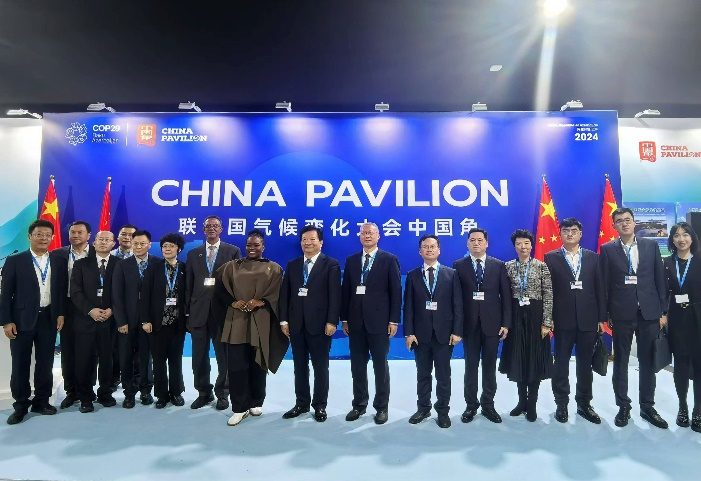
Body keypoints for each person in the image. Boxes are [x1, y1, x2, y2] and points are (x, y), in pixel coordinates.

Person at [599, 207, 668, 429]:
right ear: (614, 226)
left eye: (628, 219)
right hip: (621, 313)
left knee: (648, 361)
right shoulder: (607, 249)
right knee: (620, 361)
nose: (625, 223)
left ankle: (647, 406)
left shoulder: (650, 246)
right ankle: (623, 407)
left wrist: (663, 311)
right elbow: (604, 285)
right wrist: (606, 314)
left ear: (634, 222)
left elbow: (660, 279)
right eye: (619, 221)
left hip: (649, 312)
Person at [215, 229, 288, 426]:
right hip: (236, 321)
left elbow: (279, 293)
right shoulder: (231, 267)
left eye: (256, 245)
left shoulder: (274, 268)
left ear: (263, 246)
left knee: (258, 362)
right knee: (236, 365)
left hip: (261, 320)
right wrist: (233, 302)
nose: (252, 248)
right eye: (249, 245)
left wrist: (261, 301)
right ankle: (239, 407)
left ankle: (256, 401)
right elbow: (218, 289)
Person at [1, 220, 67, 425]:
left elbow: (60, 291)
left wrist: (60, 313)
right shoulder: (15, 260)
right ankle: (20, 406)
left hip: (48, 318)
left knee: (45, 363)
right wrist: (7, 321)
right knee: (20, 364)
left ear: (52, 238)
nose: (43, 238)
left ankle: (41, 401)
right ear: (30, 236)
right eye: (39, 234)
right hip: (21, 320)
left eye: (47, 235)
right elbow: (6, 294)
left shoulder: (58, 260)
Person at [545, 218, 605, 424]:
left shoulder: (593, 257)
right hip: (562, 320)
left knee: (585, 364)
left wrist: (601, 318)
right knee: (561, 363)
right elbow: (548, 291)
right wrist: (549, 317)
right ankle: (561, 403)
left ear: (580, 234)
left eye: (573, 230)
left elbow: (600, 289)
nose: (569, 234)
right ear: (560, 234)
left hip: (589, 319)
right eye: (565, 230)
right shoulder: (550, 257)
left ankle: (584, 403)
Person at [279, 225, 341, 423]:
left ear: (321, 242)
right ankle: (301, 403)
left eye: (312, 239)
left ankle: (320, 405)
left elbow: (335, 296)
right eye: (304, 239)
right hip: (296, 325)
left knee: (320, 367)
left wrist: (332, 321)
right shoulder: (293, 265)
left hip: (321, 325)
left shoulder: (331, 264)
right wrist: (284, 320)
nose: (308, 243)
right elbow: (285, 294)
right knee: (299, 366)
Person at [341, 222, 402, 425]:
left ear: (378, 236)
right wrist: (344, 318)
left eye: (371, 233)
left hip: (380, 322)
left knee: (380, 367)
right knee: (357, 367)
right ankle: (359, 405)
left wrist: (393, 320)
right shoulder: (351, 261)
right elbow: (346, 291)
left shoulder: (389, 259)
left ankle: (382, 407)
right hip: (355, 323)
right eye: (364, 233)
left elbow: (396, 292)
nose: (367, 236)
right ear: (360, 236)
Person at [403, 234, 463, 428]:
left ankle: (443, 411)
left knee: (443, 376)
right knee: (423, 374)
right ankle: (423, 408)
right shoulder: (413, 275)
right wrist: (409, 333)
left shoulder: (451, 274)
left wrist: (457, 331)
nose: (429, 249)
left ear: (439, 250)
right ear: (420, 251)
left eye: (432, 246)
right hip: (420, 335)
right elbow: (408, 307)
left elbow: (457, 305)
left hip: (444, 334)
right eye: (425, 247)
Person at [453, 227, 511, 424]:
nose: (476, 243)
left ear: (486, 243)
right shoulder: (459, 265)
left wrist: (505, 323)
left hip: (492, 325)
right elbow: (456, 299)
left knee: (489, 367)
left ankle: (488, 405)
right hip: (469, 326)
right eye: (472, 240)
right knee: (470, 367)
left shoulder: (498, 265)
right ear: (467, 244)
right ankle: (471, 405)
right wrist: (457, 327)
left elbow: (506, 297)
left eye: (479, 240)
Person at [185, 215, 241, 410]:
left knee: (223, 356)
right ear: (203, 229)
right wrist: (187, 313)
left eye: (215, 226)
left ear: (221, 229)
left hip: (223, 313)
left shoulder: (232, 251)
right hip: (198, 312)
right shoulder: (193, 254)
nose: (211, 228)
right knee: (198, 356)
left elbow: (237, 284)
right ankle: (203, 393)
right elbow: (188, 285)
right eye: (208, 226)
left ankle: (223, 394)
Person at [499, 229, 553, 422]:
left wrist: (546, 322)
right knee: (519, 360)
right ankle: (522, 402)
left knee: (534, 360)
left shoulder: (541, 266)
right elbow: (503, 296)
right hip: (515, 317)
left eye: (526, 243)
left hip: (536, 317)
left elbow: (548, 295)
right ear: (514, 246)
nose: (523, 247)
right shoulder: (507, 267)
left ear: (531, 245)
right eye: (519, 244)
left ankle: (532, 405)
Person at [70, 231, 121, 413]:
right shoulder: (81, 264)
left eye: (108, 240)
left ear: (113, 244)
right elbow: (75, 292)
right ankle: (85, 398)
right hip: (86, 320)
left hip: (110, 321)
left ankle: (105, 393)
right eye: (100, 239)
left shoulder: (120, 264)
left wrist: (112, 309)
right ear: (94, 242)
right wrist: (90, 310)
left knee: (108, 360)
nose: (103, 242)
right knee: (84, 361)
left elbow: (124, 290)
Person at [140, 233, 187, 409]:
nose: (167, 249)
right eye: (165, 246)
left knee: (175, 360)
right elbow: (145, 296)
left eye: (171, 246)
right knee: (159, 361)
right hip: (157, 323)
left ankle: (176, 392)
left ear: (178, 249)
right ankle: (161, 395)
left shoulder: (184, 268)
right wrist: (145, 320)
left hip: (177, 323)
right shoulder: (153, 268)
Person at [112, 229, 158, 408]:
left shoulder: (157, 263)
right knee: (126, 358)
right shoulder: (122, 265)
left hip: (149, 321)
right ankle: (129, 393)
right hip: (127, 321)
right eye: (135, 243)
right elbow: (117, 295)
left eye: (142, 243)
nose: (138, 246)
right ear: (131, 244)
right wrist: (121, 321)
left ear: (149, 245)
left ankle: (146, 391)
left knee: (146, 358)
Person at [53, 220, 95, 409]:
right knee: (68, 351)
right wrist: (59, 311)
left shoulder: (97, 254)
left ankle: (87, 392)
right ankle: (71, 391)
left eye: (80, 232)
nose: (75, 235)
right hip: (67, 308)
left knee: (87, 352)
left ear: (89, 235)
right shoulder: (58, 254)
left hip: (89, 308)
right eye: (72, 232)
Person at [663, 222, 701, 432]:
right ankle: (683, 408)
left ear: (692, 238)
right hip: (677, 319)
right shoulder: (667, 262)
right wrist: (662, 314)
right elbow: (662, 292)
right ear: (672, 240)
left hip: (699, 318)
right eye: (676, 235)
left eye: (685, 234)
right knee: (681, 365)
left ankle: (698, 411)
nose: (681, 239)